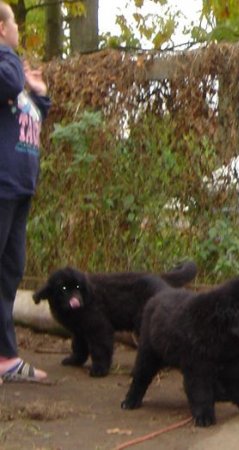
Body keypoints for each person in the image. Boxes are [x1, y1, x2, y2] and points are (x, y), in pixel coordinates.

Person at [0, 1, 51, 383]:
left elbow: (32, 111)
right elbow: (9, 83)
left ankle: (5, 359)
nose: (18, 29)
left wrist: (38, 91)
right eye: (14, 23)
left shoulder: (11, 71)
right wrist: (11, 58)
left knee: (10, 271)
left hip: (19, 188)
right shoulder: (5, 65)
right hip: (1, 186)